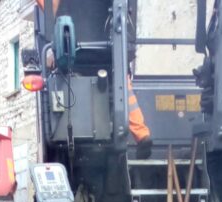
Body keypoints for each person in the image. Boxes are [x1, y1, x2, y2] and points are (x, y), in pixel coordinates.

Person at [35, 0, 152, 156]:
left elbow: (50, 9)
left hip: (73, 54)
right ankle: (142, 134)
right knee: (125, 88)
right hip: (109, 54)